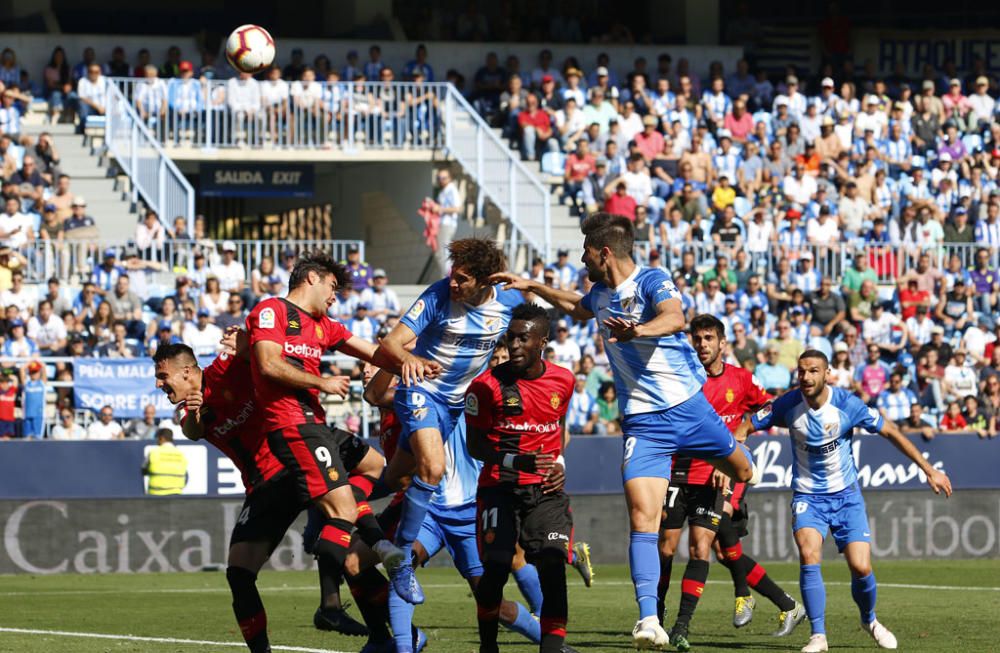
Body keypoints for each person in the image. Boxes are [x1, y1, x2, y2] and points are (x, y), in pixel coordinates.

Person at [492, 213, 756, 649]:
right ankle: (650, 619)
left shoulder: (652, 280)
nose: (582, 260)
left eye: (585, 254)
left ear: (604, 253)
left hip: (689, 410)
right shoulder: (598, 294)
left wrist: (639, 330)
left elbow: (675, 317)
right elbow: (577, 307)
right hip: (643, 423)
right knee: (641, 517)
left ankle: (733, 458)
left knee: (742, 472)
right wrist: (532, 286)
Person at [154, 341, 377, 649]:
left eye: (163, 375)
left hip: (300, 448)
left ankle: (364, 600)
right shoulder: (190, 410)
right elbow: (192, 431)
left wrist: (245, 341)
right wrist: (193, 411)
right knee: (239, 574)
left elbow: (265, 354)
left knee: (373, 475)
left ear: (188, 371)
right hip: (266, 485)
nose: (159, 383)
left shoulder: (226, 367)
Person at [738, 350, 952, 653]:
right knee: (809, 556)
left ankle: (869, 620)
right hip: (808, 496)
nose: (806, 377)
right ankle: (818, 635)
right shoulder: (788, 404)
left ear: (827, 374)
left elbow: (890, 430)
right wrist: (735, 455)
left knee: (861, 567)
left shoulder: (847, 405)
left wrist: (929, 470)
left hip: (846, 496)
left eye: (813, 371)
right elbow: (746, 426)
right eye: (801, 371)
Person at [245, 251, 415, 603]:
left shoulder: (325, 325)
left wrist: (413, 362)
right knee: (342, 509)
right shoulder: (271, 311)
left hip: (315, 423)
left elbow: (374, 352)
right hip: (289, 423)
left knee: (372, 465)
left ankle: (336, 535)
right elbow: (267, 364)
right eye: (333, 287)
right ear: (312, 279)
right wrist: (321, 383)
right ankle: (332, 599)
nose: (335, 296)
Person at [371, 237, 518, 606]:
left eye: (463, 279)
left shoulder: (509, 304)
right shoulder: (438, 295)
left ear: (486, 281)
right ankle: (401, 559)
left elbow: (568, 314)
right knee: (433, 469)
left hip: (454, 407)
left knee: (394, 478)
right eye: (452, 275)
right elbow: (390, 344)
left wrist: (535, 287)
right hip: (420, 391)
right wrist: (409, 360)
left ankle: (331, 505)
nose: (453, 283)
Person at [657, 315, 804, 651]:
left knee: (705, 546)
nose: (703, 344)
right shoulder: (683, 377)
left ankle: (683, 624)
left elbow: (768, 407)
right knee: (679, 547)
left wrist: (741, 440)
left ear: (722, 343)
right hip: (681, 471)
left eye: (709, 338)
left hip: (722, 476)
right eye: (698, 338)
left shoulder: (740, 380)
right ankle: (779, 603)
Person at [466, 303, 576, 653]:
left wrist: (558, 460)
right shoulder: (484, 388)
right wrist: (518, 459)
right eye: (510, 338)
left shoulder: (564, 380)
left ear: (541, 342)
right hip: (499, 487)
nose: (514, 346)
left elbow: (558, 427)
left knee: (553, 565)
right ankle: (488, 647)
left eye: (522, 339)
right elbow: (475, 445)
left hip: (545, 490)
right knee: (496, 569)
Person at [141, 428, 188, 495]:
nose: (157, 441)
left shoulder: (153, 453)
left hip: (156, 495)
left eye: (157, 439)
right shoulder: (181, 455)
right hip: (176, 495)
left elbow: (143, 470)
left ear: (162, 438)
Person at [20, 361, 46, 440]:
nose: (34, 374)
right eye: (32, 372)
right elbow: (22, 369)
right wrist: (30, 361)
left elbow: (44, 367)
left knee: (37, 438)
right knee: (27, 438)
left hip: (39, 415)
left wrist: (36, 360)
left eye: (35, 372)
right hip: (27, 414)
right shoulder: (26, 383)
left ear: (39, 373)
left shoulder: (42, 383)